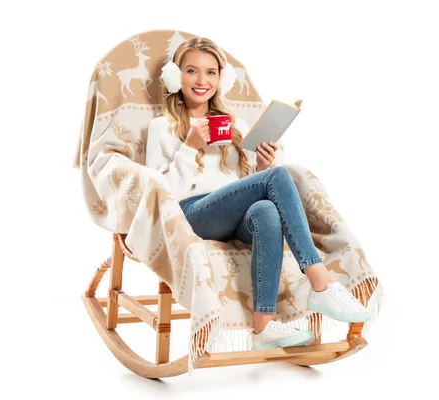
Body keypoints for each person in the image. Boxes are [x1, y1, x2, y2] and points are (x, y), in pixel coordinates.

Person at [146, 37, 371, 351]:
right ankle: (320, 281)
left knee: (266, 208)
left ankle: (262, 327)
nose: (202, 81)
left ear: (220, 79)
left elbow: (242, 184)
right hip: (191, 213)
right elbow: (160, 191)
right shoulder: (162, 127)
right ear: (175, 77)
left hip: (231, 213)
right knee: (278, 176)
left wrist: (261, 165)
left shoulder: (234, 125)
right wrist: (189, 148)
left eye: (211, 73)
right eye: (191, 71)